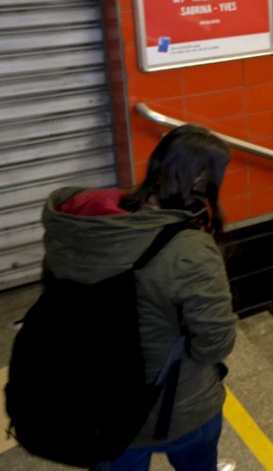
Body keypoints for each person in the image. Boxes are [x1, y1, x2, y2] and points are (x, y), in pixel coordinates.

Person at [41, 124, 238, 471]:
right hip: (178, 408)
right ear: (200, 180)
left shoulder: (84, 224)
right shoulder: (189, 249)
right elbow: (214, 344)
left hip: (96, 402)